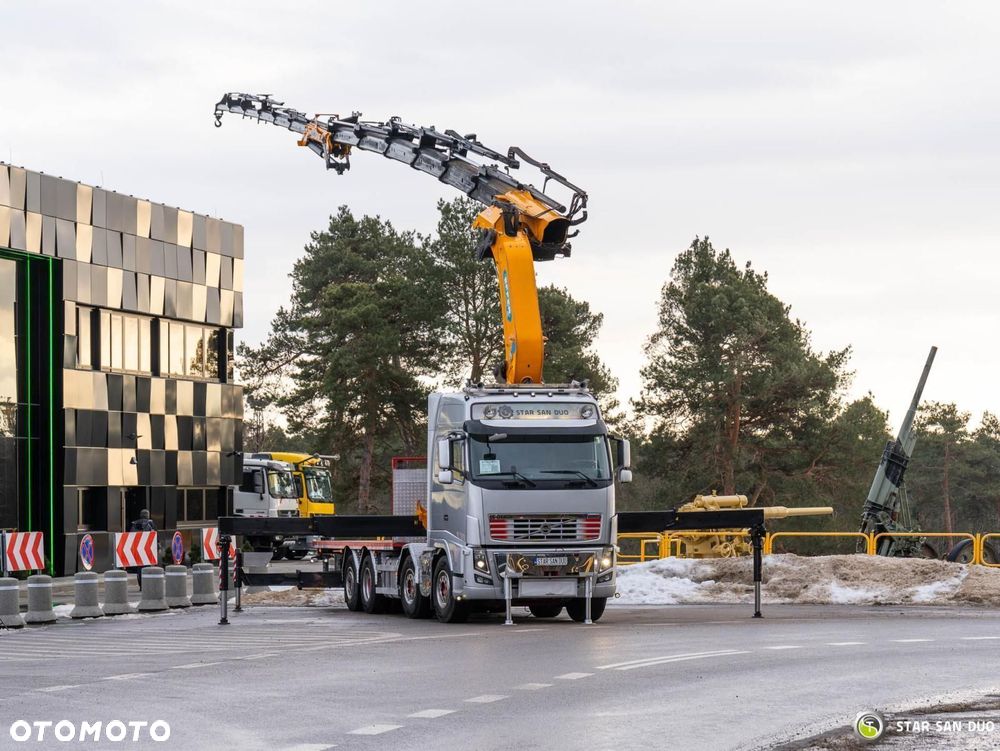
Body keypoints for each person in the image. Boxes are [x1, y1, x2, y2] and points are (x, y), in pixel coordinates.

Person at [129, 510, 156, 589]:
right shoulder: (151, 523)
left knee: (139, 567)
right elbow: (155, 535)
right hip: (148, 549)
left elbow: (130, 536)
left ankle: (141, 585)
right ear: (147, 515)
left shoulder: (134, 524)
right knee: (147, 566)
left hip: (138, 549)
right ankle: (147, 585)